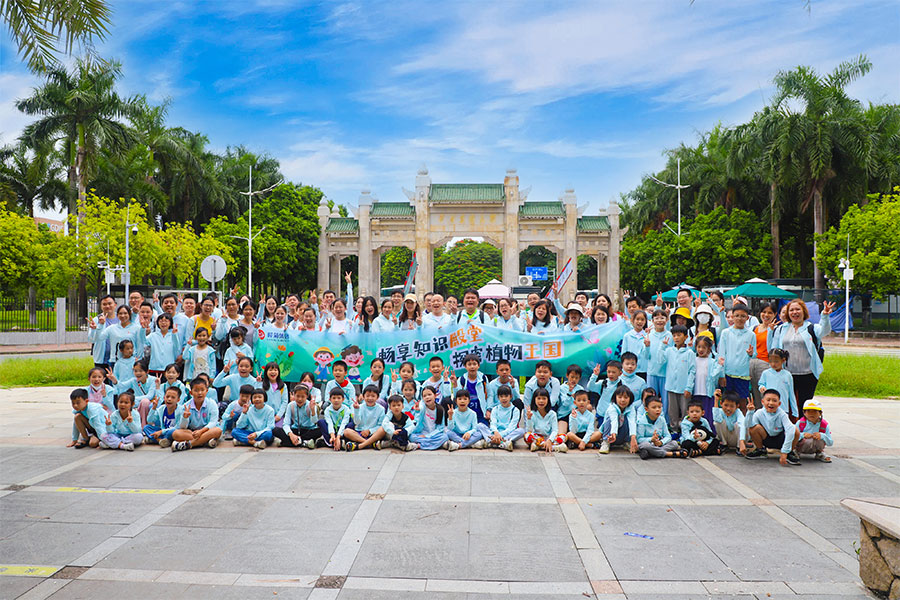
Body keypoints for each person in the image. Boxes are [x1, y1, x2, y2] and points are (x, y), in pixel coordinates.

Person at [769, 298, 834, 414]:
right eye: (791, 310)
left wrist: (824, 316)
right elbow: (774, 350)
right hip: (786, 373)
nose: (795, 312)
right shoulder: (781, 329)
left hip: (808, 374)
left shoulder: (811, 328)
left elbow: (824, 331)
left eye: (798, 309)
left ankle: (803, 424)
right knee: (787, 405)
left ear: (804, 311)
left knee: (804, 405)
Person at [652, 324, 695, 431]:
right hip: (671, 387)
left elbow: (692, 371)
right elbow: (660, 361)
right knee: (672, 411)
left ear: (685, 337)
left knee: (685, 410)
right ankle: (674, 429)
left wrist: (689, 387)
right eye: (674, 335)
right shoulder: (669, 351)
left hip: (684, 388)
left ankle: (685, 430)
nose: (676, 338)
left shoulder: (689, 353)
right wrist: (662, 346)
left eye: (679, 335)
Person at [744, 389, 800, 466]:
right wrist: (750, 412)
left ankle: (789, 453)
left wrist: (785, 452)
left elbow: (790, 430)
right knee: (754, 428)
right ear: (762, 402)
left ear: (779, 403)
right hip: (766, 438)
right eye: (768, 400)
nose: (771, 403)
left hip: (781, 440)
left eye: (774, 400)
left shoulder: (782, 414)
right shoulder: (759, 413)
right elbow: (748, 425)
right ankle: (760, 450)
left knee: (795, 430)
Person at [717, 303, 756, 412]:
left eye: (743, 316)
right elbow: (721, 355)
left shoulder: (751, 334)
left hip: (743, 375)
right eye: (737, 315)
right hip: (728, 374)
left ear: (747, 318)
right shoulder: (726, 333)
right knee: (727, 403)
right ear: (732, 317)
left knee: (742, 404)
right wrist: (722, 375)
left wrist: (751, 353)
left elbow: (754, 354)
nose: (739, 318)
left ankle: (742, 422)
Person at [171, 377, 222, 452]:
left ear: (206, 391)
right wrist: (185, 418)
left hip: (207, 430)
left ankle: (188, 444)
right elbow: (182, 427)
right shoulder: (186, 406)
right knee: (176, 434)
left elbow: (213, 422)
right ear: (191, 393)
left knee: (217, 430)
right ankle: (204, 441)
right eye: (196, 390)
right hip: (193, 433)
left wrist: (201, 432)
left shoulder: (211, 403)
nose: (200, 393)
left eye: (202, 390)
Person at [109, 359, 158, 427]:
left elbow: (150, 396)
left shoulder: (153, 380)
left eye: (140, 371)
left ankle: (144, 426)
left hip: (149, 404)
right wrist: (114, 380)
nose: (138, 373)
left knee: (145, 402)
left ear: (147, 371)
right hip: (136, 403)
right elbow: (122, 385)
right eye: (135, 371)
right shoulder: (133, 381)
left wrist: (133, 398)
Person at [635, 395, 685, 459]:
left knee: (674, 443)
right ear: (646, 409)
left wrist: (661, 442)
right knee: (645, 445)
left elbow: (668, 436)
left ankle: (651, 453)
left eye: (659, 407)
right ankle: (669, 454)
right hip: (648, 444)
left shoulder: (662, 420)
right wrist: (651, 439)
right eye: (654, 407)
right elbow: (639, 439)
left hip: (659, 445)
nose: (657, 409)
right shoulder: (641, 422)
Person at [274, 382, 321, 449]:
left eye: (302, 397)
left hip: (308, 430)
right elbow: (286, 423)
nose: (300, 399)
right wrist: (291, 435)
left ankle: (288, 443)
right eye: (298, 396)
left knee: (320, 430)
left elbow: (314, 421)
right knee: (275, 430)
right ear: (294, 395)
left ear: (307, 396)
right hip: (295, 430)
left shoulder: (310, 405)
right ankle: (304, 442)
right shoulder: (291, 405)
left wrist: (313, 410)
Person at [692, 335, 723, 431]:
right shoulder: (693, 360)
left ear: (709, 348)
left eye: (704, 347)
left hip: (708, 392)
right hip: (696, 392)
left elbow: (714, 377)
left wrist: (719, 366)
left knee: (708, 414)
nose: (701, 350)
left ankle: (710, 432)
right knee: (696, 414)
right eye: (699, 347)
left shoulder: (712, 362)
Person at [342, 385, 386, 451]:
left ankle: (360, 445)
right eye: (367, 396)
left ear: (377, 397)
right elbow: (356, 422)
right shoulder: (360, 407)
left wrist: (369, 431)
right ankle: (370, 444)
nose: (370, 398)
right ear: (363, 396)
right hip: (360, 433)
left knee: (383, 429)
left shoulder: (381, 409)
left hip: (373, 434)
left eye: (373, 396)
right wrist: (356, 410)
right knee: (346, 431)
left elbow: (380, 425)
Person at [410, 386, 455, 451]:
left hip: (434, 434)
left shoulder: (440, 409)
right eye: (424, 396)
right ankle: (439, 445)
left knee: (444, 437)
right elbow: (416, 423)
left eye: (429, 394)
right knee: (411, 437)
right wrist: (417, 412)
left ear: (435, 395)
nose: (427, 397)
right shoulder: (422, 408)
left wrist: (428, 436)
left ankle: (420, 445)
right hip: (422, 433)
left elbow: (440, 428)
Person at [758, 349, 797, 421]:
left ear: (783, 360)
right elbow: (761, 384)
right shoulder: (766, 373)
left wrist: (795, 412)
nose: (773, 364)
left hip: (783, 408)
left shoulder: (787, 375)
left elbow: (791, 394)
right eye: (770, 361)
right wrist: (762, 387)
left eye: (776, 361)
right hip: (768, 408)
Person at [750, 303, 777, 408]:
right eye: (764, 312)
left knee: (765, 392)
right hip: (752, 362)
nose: (766, 315)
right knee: (754, 392)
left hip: (766, 364)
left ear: (775, 314)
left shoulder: (776, 330)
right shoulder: (754, 328)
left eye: (770, 313)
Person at [450, 354, 489, 425]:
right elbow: (456, 396)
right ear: (465, 366)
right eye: (469, 364)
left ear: (478, 366)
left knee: (482, 427)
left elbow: (489, 395)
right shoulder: (462, 379)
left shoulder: (483, 378)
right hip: (466, 414)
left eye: (474, 364)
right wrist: (455, 384)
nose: (472, 367)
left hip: (481, 412)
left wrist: (488, 409)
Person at [524, 387, 566, 453]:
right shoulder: (532, 413)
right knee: (527, 436)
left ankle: (539, 446)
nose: (541, 401)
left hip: (549, 437)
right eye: (539, 398)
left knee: (563, 436)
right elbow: (530, 430)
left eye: (544, 398)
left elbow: (555, 430)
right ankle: (553, 447)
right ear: (534, 400)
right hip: (537, 437)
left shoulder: (552, 414)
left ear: (548, 400)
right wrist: (529, 418)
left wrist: (550, 440)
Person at [598, 386, 638, 454]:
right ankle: (605, 442)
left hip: (622, 435)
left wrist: (633, 438)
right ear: (615, 398)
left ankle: (627, 442)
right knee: (609, 420)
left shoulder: (631, 408)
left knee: (628, 420)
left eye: (626, 397)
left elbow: (632, 422)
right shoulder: (612, 407)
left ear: (630, 399)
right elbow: (614, 421)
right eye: (620, 397)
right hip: (611, 436)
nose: (623, 400)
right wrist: (613, 434)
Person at [645, 309, 670, 415]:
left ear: (667, 320)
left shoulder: (670, 335)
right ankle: (650, 419)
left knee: (666, 401)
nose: (659, 320)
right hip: (652, 372)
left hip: (666, 373)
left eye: (662, 318)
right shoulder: (649, 335)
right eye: (657, 318)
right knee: (651, 399)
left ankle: (665, 421)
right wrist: (647, 347)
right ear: (652, 320)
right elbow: (646, 356)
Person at [486, 385, 523, 451]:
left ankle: (494, 441)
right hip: (495, 433)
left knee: (521, 431)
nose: (504, 398)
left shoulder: (515, 410)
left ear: (510, 396)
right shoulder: (495, 409)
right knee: (480, 426)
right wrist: (496, 432)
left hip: (507, 434)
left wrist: (500, 435)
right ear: (498, 397)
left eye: (506, 396)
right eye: (501, 396)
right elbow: (493, 423)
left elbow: (512, 427)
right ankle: (502, 443)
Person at [87, 294, 118, 369]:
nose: (107, 306)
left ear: (115, 305)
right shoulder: (96, 320)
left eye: (110, 303)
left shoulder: (120, 318)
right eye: (104, 304)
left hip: (118, 359)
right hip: (101, 359)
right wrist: (94, 329)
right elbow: (91, 339)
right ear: (101, 306)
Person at [713, 389, 748, 455]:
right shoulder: (720, 411)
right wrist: (716, 400)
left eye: (732, 406)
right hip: (727, 438)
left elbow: (742, 425)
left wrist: (741, 441)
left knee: (741, 424)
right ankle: (724, 445)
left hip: (738, 440)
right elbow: (716, 419)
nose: (728, 409)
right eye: (726, 405)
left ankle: (739, 447)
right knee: (717, 422)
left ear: (737, 406)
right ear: (721, 403)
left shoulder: (738, 412)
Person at [621, 311, 650, 379]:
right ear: (632, 320)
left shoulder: (648, 336)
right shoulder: (627, 336)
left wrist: (647, 346)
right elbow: (623, 353)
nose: (640, 322)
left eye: (642, 320)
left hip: (644, 369)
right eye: (637, 319)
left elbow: (648, 355)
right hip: (630, 369)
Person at [557, 364, 583, 434]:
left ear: (579, 378)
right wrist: (569, 393)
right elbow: (565, 404)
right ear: (567, 375)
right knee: (561, 434)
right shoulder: (561, 388)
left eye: (576, 378)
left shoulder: (580, 389)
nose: (574, 380)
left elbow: (583, 404)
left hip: (576, 415)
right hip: (564, 415)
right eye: (572, 377)